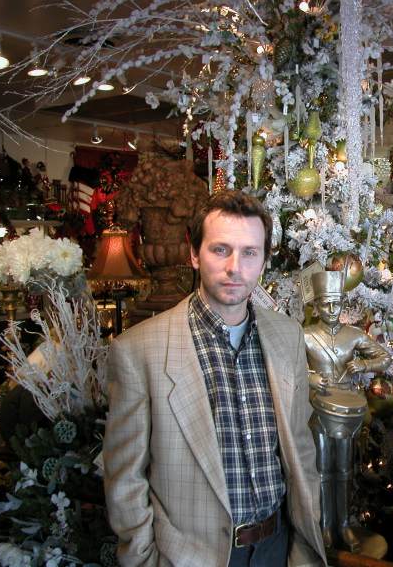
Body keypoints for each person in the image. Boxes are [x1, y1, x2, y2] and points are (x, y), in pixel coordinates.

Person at [104, 190, 326, 567]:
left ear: (264, 260)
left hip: (277, 548)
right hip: (190, 557)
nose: (235, 268)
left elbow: (300, 450)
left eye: (250, 252)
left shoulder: (287, 336)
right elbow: (125, 479)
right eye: (220, 250)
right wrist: (143, 560)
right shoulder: (139, 351)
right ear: (194, 254)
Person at [303, 270, 391, 552]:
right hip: (318, 409)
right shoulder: (305, 336)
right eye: (325, 304)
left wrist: (364, 365)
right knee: (322, 468)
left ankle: (343, 525)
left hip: (346, 412)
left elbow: (385, 357)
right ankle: (325, 525)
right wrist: (310, 378)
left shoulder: (353, 335)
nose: (331, 310)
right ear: (316, 305)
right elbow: (288, 366)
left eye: (337, 303)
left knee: (344, 468)